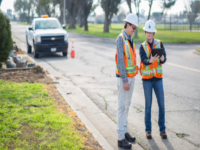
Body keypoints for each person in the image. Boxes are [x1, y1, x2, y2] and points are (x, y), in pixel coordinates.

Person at [139, 20, 167, 139]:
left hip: (158, 79)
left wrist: (162, 59)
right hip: (147, 80)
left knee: (161, 105)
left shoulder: (160, 44)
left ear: (153, 33)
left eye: (151, 32)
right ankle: (148, 130)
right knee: (148, 105)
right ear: (145, 32)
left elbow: (164, 59)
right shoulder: (142, 46)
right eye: (147, 32)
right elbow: (143, 60)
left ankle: (162, 129)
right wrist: (149, 61)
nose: (149, 34)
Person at [115, 13, 138, 149]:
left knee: (127, 105)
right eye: (133, 28)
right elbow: (121, 62)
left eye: (135, 28)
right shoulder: (121, 39)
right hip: (124, 79)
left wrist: (131, 78)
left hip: (131, 77)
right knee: (121, 107)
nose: (134, 30)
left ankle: (125, 131)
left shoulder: (130, 39)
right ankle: (120, 138)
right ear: (128, 25)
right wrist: (125, 80)